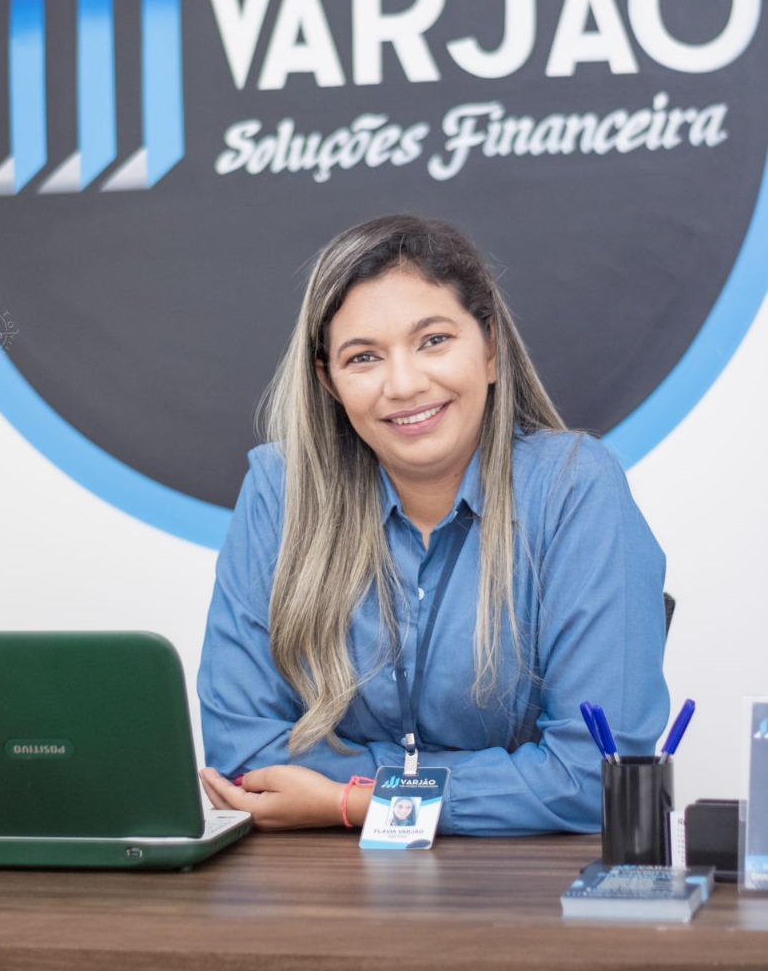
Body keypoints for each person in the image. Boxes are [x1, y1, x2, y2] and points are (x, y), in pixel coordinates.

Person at [198, 214, 669, 834]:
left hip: (521, 886)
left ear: (491, 350)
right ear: (329, 383)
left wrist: (358, 801)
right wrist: (496, 781)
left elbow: (598, 776)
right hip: (324, 881)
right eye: (363, 357)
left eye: (434, 341)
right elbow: (245, 759)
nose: (404, 384)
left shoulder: (575, 488)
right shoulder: (278, 492)